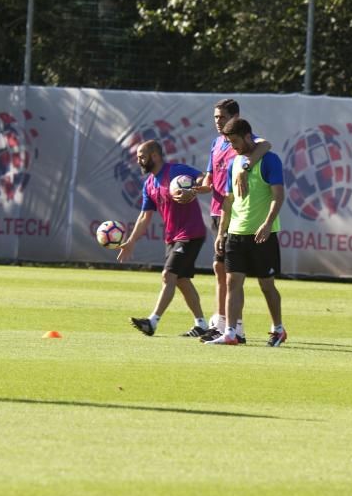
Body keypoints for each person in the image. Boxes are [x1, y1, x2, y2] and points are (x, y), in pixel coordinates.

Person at [205, 117, 287, 347]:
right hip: (235, 234)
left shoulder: (270, 161)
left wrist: (268, 223)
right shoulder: (234, 163)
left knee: (266, 285)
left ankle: (278, 329)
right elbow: (228, 202)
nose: (232, 147)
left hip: (262, 235)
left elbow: (278, 196)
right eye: (229, 142)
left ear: (248, 136)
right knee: (232, 284)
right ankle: (232, 332)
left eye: (235, 141)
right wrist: (222, 232)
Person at [117, 139, 211, 338]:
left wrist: (193, 190)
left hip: (191, 233)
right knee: (182, 280)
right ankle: (201, 324)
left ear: (154, 156)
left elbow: (203, 177)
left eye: (142, 156)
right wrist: (131, 241)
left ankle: (152, 322)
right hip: (172, 237)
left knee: (168, 276)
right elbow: (144, 217)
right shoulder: (149, 184)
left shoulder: (176, 171)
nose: (139, 161)